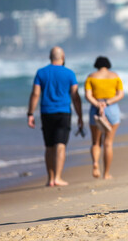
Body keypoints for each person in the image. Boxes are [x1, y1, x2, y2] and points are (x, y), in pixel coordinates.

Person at [27, 46, 83, 187]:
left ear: (50, 57)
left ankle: (50, 179)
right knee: (61, 145)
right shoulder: (69, 73)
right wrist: (80, 115)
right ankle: (58, 177)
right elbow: (75, 96)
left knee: (49, 146)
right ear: (62, 57)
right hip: (63, 112)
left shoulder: (41, 72)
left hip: (46, 112)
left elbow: (35, 94)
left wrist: (30, 113)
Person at [84, 56, 124, 179]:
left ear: (96, 65)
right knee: (108, 143)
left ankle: (95, 163)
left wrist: (98, 104)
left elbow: (88, 96)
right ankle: (106, 173)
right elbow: (120, 94)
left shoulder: (91, 76)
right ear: (108, 64)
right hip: (111, 108)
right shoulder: (115, 76)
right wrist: (106, 104)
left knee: (96, 142)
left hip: (95, 109)